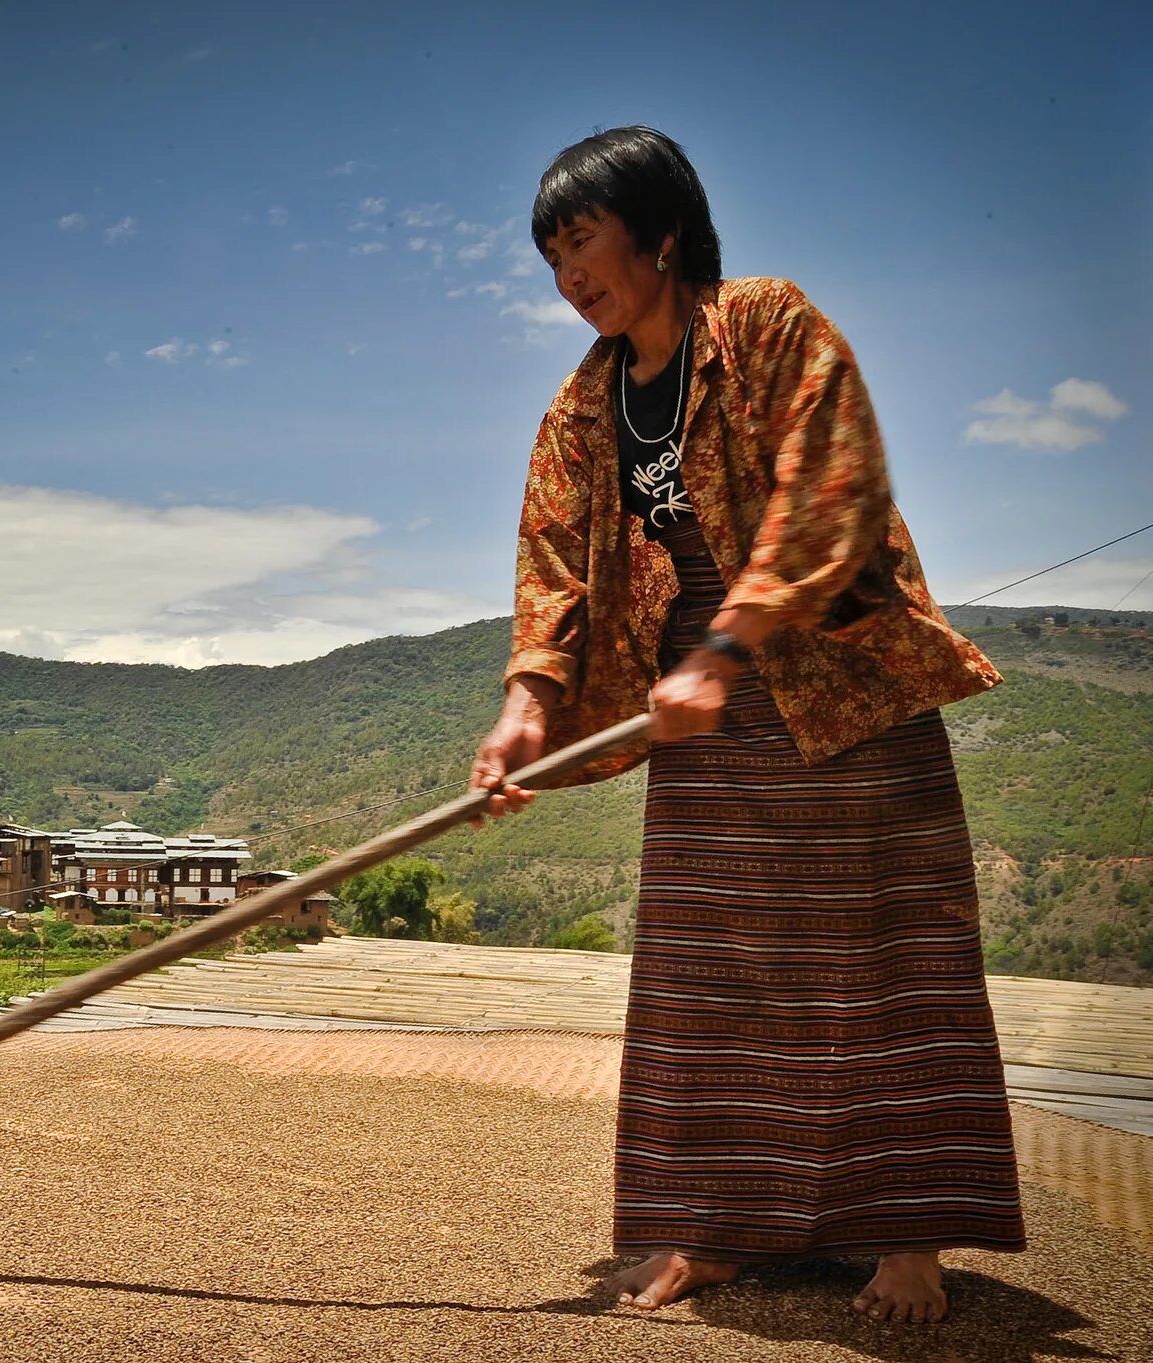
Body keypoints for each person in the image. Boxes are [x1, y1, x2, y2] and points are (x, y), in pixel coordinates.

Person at [470, 126, 1024, 1325]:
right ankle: (712, 1227)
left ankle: (906, 1234)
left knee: (884, 951)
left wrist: (729, 645)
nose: (567, 274)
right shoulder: (585, 402)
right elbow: (551, 559)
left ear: (659, 234)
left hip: (832, 673)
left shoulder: (764, 324)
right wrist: (526, 701)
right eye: (550, 254)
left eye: (583, 240)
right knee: (708, 967)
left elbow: (831, 489)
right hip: (694, 710)